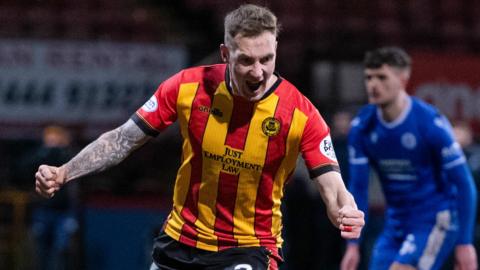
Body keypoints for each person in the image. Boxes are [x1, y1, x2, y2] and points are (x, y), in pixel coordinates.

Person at [35, 4, 365, 270]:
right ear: (225, 54)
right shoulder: (187, 87)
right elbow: (123, 139)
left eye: (267, 59)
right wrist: (66, 172)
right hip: (180, 242)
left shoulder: (300, 114)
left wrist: (344, 210)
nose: (259, 72)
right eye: (246, 60)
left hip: (249, 249)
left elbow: (333, 186)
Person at [340, 47, 478, 270]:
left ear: (403, 79)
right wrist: (353, 244)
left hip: (434, 220)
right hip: (395, 224)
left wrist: (465, 243)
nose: (373, 85)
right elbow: (358, 188)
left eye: (382, 77)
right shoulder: (361, 127)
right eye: (369, 77)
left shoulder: (429, 123)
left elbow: (464, 185)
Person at [27, 125, 80, 270]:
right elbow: (24, 169)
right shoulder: (39, 155)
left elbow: (75, 185)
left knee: (62, 250)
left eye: (55, 141)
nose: (52, 146)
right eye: (48, 141)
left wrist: (73, 215)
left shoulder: (69, 156)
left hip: (63, 212)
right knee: (40, 250)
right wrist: (43, 153)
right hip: (43, 210)